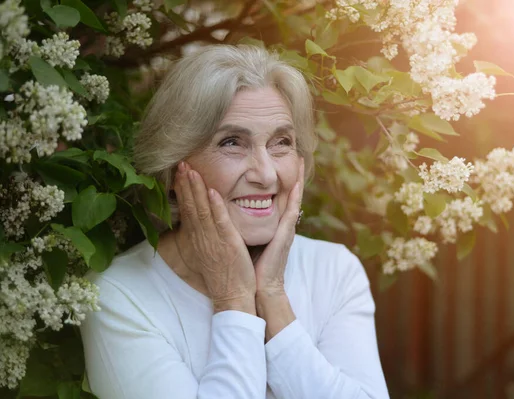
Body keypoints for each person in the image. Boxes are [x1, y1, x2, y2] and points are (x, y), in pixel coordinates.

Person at [80, 44, 390, 399]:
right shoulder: (122, 295)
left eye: (281, 143)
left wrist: (272, 297)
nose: (267, 175)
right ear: (174, 162)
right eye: (232, 142)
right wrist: (234, 301)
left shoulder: (334, 271)